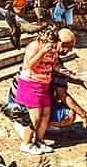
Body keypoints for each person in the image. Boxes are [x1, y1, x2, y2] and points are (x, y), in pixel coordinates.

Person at [11, 26, 61, 155]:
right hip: (30, 83)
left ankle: (39, 141)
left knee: (45, 115)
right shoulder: (34, 46)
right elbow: (28, 65)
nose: (52, 47)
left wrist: (69, 73)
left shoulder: (54, 49)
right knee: (35, 118)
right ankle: (26, 143)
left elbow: (55, 66)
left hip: (43, 85)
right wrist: (42, 52)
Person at [47, 29, 87, 132]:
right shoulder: (53, 59)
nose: (71, 50)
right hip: (32, 104)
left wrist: (81, 82)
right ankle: (39, 125)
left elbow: (62, 76)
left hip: (19, 98)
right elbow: (63, 95)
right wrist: (84, 115)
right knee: (69, 115)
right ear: (62, 44)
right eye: (70, 47)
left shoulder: (48, 53)